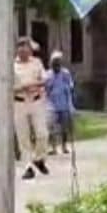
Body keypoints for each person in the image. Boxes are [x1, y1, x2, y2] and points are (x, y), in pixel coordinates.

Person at [13, 37, 49, 180]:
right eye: (20, 47)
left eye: (26, 47)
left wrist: (33, 84)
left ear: (30, 49)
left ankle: (39, 158)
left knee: (42, 133)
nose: (23, 50)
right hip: (19, 102)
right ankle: (27, 167)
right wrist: (23, 87)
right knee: (23, 137)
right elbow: (9, 87)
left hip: (36, 101)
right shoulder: (13, 66)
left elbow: (45, 79)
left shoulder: (37, 62)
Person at [45, 50, 76, 155]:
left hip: (63, 104)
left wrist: (70, 104)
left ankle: (64, 146)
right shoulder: (48, 75)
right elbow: (46, 89)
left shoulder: (65, 73)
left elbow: (70, 87)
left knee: (64, 127)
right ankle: (53, 147)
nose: (56, 64)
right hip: (51, 105)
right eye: (54, 62)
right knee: (51, 127)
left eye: (58, 61)